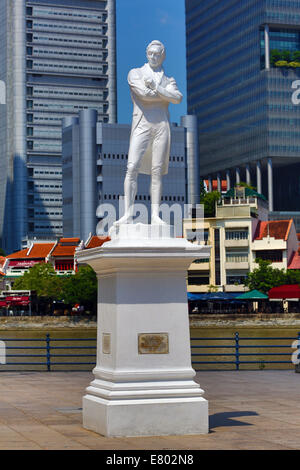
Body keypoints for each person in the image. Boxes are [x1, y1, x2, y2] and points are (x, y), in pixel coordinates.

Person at [114, 40, 182, 227]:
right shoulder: (135, 73)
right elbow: (143, 94)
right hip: (142, 124)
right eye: (151, 53)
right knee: (132, 166)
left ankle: (155, 216)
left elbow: (177, 98)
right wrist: (163, 94)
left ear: (163, 55)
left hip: (161, 126)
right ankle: (127, 213)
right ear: (146, 53)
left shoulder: (169, 80)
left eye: (157, 54)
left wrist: (157, 88)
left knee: (157, 172)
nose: (153, 57)